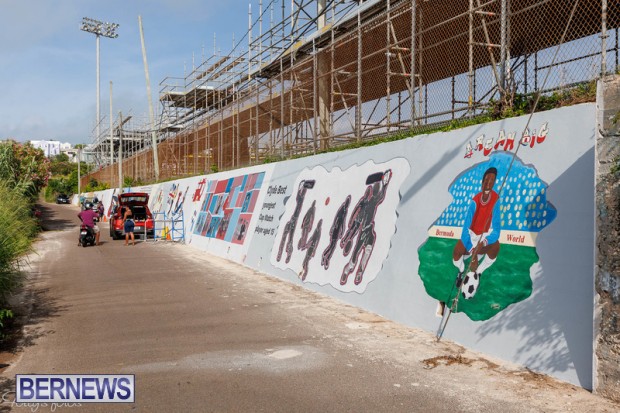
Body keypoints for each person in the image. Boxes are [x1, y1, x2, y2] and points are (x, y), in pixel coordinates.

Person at [452, 166, 501, 280]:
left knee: (496, 247)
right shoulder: (475, 200)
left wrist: (484, 243)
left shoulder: (495, 199)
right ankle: (461, 271)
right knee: (456, 253)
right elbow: (465, 229)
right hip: (471, 235)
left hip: (483, 237)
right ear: (482, 181)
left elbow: (497, 230)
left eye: (492, 181)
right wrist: (471, 250)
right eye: (486, 180)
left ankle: (478, 273)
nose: (488, 184)